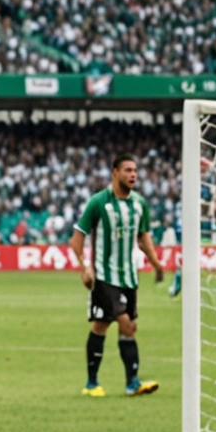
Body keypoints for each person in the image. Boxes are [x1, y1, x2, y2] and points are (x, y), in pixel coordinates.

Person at [69, 154, 166, 398]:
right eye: (127, 170)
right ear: (115, 172)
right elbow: (77, 237)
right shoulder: (98, 202)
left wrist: (156, 264)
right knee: (126, 323)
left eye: (135, 170)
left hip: (129, 277)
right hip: (104, 276)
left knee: (105, 325)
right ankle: (132, 383)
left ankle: (92, 383)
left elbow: (143, 238)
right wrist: (84, 266)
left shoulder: (139, 204)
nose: (133, 174)